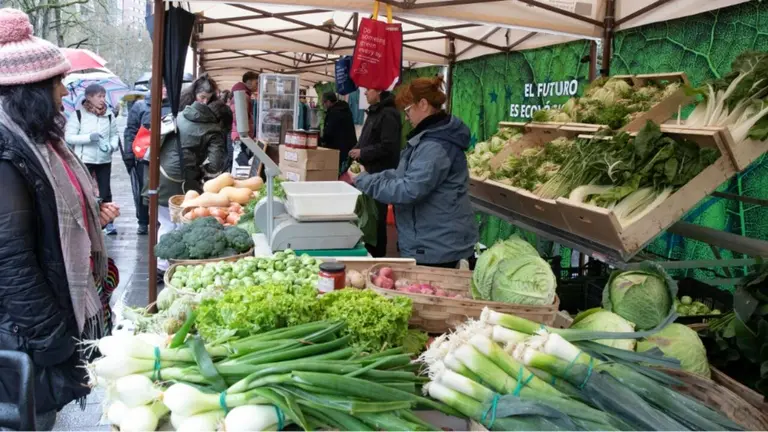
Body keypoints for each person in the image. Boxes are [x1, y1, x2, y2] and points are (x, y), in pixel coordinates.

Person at [0, 8, 120, 429]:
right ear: (30, 90)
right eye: (57, 83)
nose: (62, 92)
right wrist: (53, 341)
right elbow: (11, 261)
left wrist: (92, 222)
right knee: (31, 416)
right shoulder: (7, 151)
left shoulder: (42, 141)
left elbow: (50, 219)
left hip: (39, 321)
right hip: (24, 331)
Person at [349, 77, 478, 268]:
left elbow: (409, 189)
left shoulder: (435, 146)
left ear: (423, 105)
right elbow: (402, 176)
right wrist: (368, 177)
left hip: (439, 247)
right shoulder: (426, 140)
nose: (406, 117)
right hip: (430, 242)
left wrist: (365, 181)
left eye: (408, 110)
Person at [145, 77, 227, 276]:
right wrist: (205, 172)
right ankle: (168, 266)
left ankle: (162, 264)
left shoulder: (178, 115)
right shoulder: (214, 129)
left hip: (157, 176)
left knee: (165, 221)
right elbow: (215, 165)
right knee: (180, 222)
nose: (204, 102)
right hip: (181, 183)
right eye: (203, 97)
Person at [349, 88, 402, 257]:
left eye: (368, 90)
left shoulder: (388, 115)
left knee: (377, 218)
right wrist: (358, 148)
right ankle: (368, 250)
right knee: (368, 217)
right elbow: (370, 139)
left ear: (379, 91)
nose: (364, 94)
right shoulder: (374, 113)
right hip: (368, 174)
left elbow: (389, 146)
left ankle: (377, 255)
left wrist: (363, 153)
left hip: (380, 175)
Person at [65, 84, 120, 235]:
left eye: (103, 96)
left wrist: (112, 145)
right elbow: (69, 137)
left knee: (105, 191)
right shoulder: (78, 115)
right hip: (84, 159)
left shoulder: (109, 115)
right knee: (84, 190)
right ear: (89, 97)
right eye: (99, 96)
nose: (102, 100)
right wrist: (89, 138)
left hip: (104, 159)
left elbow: (114, 134)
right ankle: (87, 220)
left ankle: (108, 222)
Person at [124, 81, 171, 235]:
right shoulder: (140, 106)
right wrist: (129, 155)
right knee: (142, 190)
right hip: (143, 156)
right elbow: (130, 131)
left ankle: (162, 220)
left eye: (166, 86)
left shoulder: (175, 106)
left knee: (163, 189)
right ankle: (143, 221)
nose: (164, 90)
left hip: (166, 156)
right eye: (161, 86)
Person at [320, 91, 357, 172]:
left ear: (328, 102)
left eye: (323, 103)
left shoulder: (334, 113)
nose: (323, 106)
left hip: (338, 149)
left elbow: (329, 132)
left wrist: (321, 140)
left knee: (335, 171)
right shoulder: (345, 109)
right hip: (349, 146)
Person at [231, 71, 259, 171]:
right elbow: (238, 118)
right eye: (256, 83)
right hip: (241, 136)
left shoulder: (244, 94)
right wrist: (244, 135)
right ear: (249, 82)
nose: (257, 86)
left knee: (241, 162)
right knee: (241, 164)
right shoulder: (243, 96)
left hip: (242, 135)